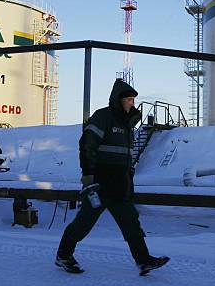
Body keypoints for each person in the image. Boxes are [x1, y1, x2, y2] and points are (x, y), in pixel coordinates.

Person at [56, 79, 169, 275]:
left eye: (134, 100)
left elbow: (124, 158)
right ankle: (64, 255)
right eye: (129, 100)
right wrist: (88, 176)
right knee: (84, 223)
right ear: (119, 100)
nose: (132, 103)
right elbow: (87, 145)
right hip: (100, 184)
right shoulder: (103, 117)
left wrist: (128, 180)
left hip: (119, 185)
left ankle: (143, 261)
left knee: (130, 222)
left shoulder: (126, 126)